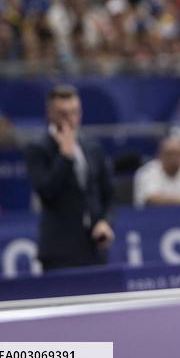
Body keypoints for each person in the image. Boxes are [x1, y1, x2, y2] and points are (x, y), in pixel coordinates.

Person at [24, 84, 115, 270]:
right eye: (63, 114)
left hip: (94, 247)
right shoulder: (38, 149)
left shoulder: (92, 148)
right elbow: (46, 193)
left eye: (75, 112)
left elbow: (109, 194)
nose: (71, 119)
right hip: (59, 252)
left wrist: (105, 222)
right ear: (50, 114)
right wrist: (65, 157)